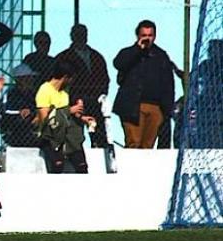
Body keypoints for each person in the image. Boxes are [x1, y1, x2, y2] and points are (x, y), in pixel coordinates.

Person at [113, 20, 175, 149]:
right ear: (138, 36)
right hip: (132, 105)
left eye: (150, 35)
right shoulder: (129, 53)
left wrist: (167, 109)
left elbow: (168, 83)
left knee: (148, 146)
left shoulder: (161, 56)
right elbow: (119, 63)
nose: (147, 38)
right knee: (133, 143)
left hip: (155, 107)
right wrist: (137, 49)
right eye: (144, 35)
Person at [55, 24, 109, 148]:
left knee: (98, 134)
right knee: (73, 134)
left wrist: (101, 95)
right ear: (72, 37)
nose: (81, 37)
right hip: (73, 101)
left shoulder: (96, 57)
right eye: (78, 34)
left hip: (93, 100)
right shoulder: (64, 57)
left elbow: (104, 79)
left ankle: (99, 150)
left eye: (83, 34)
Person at [35, 62, 94, 174]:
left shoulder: (64, 92)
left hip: (68, 136)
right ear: (66, 77)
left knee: (81, 166)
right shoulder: (44, 90)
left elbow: (67, 115)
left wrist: (82, 118)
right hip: (51, 136)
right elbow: (44, 118)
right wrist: (69, 110)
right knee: (57, 165)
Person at [0, 63, 40, 147]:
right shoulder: (10, 93)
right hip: (15, 125)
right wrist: (19, 112)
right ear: (20, 79)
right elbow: (5, 110)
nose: (30, 80)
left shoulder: (34, 94)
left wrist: (32, 112)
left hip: (32, 124)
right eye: (27, 78)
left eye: (31, 78)